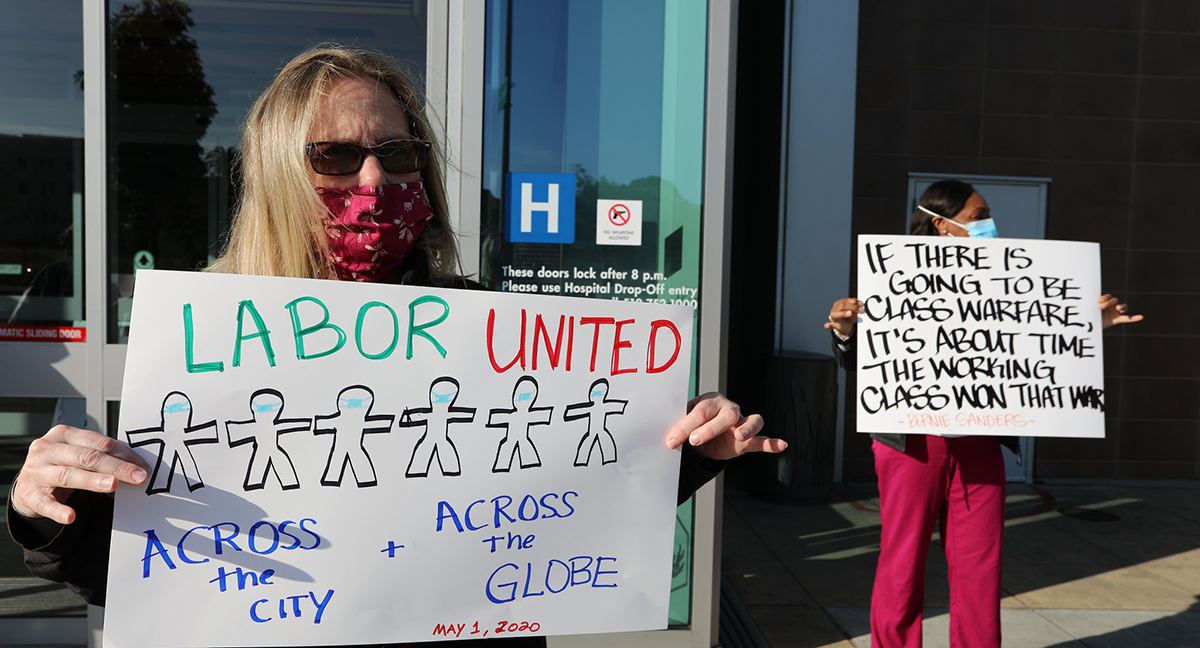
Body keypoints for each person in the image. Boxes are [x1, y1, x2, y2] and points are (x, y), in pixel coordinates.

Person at [5, 45, 786, 648]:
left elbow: (576, 497)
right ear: (280, 173)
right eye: (337, 157)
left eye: (398, 152)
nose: (375, 178)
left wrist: (690, 450)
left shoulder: (486, 331)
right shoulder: (200, 341)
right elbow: (125, 569)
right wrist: (42, 511)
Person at [823, 179, 1142, 648]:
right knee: (902, 560)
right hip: (912, 444)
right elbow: (860, 361)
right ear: (941, 224)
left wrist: (1090, 324)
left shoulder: (1006, 279)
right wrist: (847, 332)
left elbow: (1037, 340)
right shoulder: (894, 277)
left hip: (980, 443)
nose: (989, 225)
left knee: (980, 567)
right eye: (978, 217)